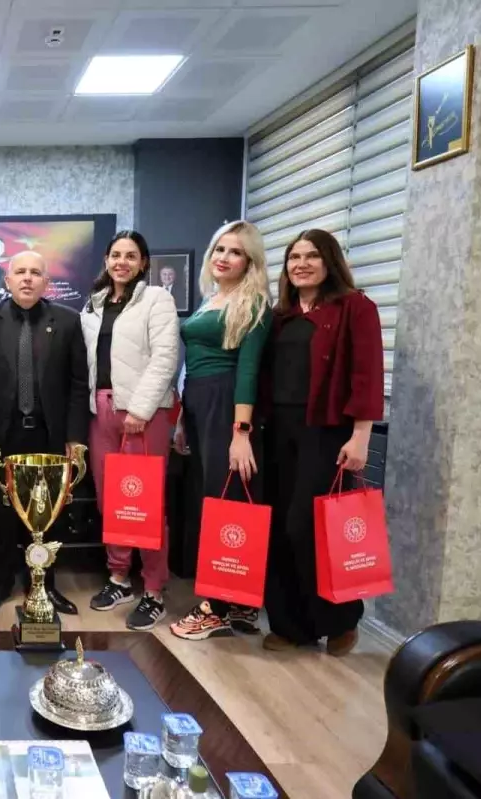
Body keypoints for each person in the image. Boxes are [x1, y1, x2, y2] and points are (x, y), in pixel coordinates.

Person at [260, 229, 383, 656]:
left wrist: (361, 436)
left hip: (326, 431)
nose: (302, 264)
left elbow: (368, 375)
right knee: (279, 527)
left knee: (309, 527)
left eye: (312, 256)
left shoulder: (355, 308)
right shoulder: (281, 315)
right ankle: (291, 626)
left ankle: (341, 620)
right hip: (277, 430)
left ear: (330, 262)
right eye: (294, 257)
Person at [0, 251, 90, 618]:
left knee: (47, 513)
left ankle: (45, 585)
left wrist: (75, 436)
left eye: (36, 273)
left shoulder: (67, 321)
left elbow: (78, 384)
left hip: (49, 436)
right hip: (0, 435)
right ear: (7, 280)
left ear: (46, 283)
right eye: (20, 271)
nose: (27, 278)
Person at [170, 220, 273, 641]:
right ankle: (239, 603)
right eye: (219, 249)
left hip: (226, 403)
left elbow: (248, 372)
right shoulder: (211, 300)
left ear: (250, 261)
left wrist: (241, 432)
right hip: (198, 402)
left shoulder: (255, 304)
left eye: (235, 252)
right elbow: (191, 365)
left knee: (226, 503)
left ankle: (218, 606)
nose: (224, 258)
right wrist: (183, 417)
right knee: (211, 499)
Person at [80, 231, 180, 630]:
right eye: (116, 255)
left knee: (146, 502)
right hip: (100, 411)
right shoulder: (94, 304)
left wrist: (140, 409)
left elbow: (165, 357)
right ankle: (119, 577)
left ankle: (154, 590)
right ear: (106, 260)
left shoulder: (156, 299)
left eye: (131, 255)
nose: (122, 262)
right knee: (111, 500)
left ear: (144, 263)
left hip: (144, 414)